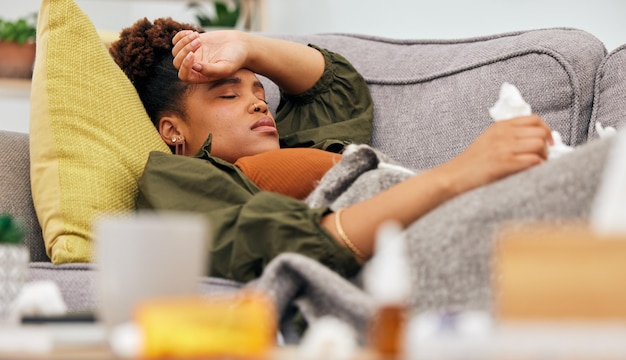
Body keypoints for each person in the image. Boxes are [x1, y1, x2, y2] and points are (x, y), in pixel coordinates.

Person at [110, 18, 606, 286]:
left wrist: (248, 47)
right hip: (419, 242)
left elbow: (336, 86)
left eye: (257, 88)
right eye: (227, 94)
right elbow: (286, 246)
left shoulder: (295, 143)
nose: (258, 100)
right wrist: (461, 174)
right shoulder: (175, 180)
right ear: (172, 130)